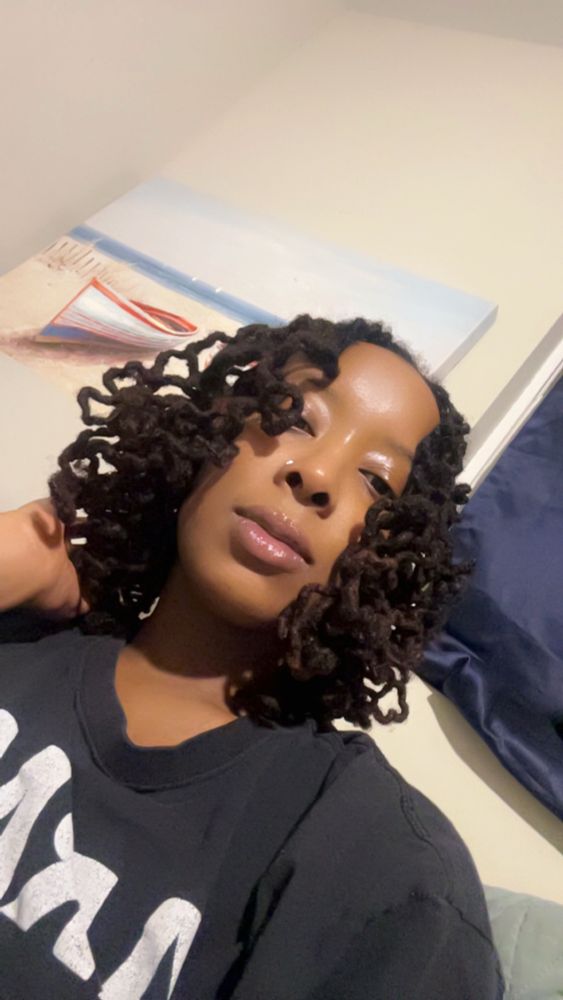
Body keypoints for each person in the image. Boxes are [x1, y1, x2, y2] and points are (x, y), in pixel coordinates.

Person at [0, 314, 505, 999]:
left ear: (387, 555)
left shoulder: (385, 881)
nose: (316, 474)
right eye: (294, 417)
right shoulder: (19, 628)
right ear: (210, 430)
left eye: (376, 482)